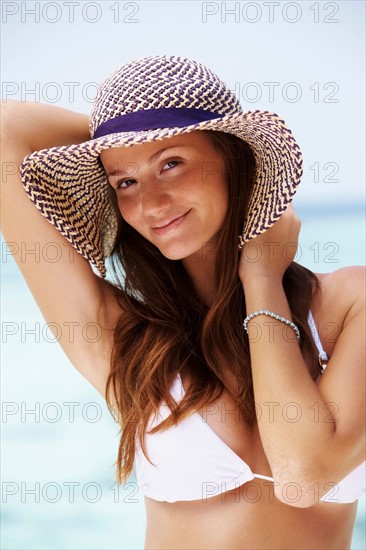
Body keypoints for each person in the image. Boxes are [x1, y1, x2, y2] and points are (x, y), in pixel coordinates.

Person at [1, 54, 365, 550]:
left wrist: (261, 277)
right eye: (124, 181)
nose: (149, 203)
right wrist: (123, 130)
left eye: (171, 163)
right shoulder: (125, 339)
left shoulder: (351, 306)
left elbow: (304, 475)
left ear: (233, 156)